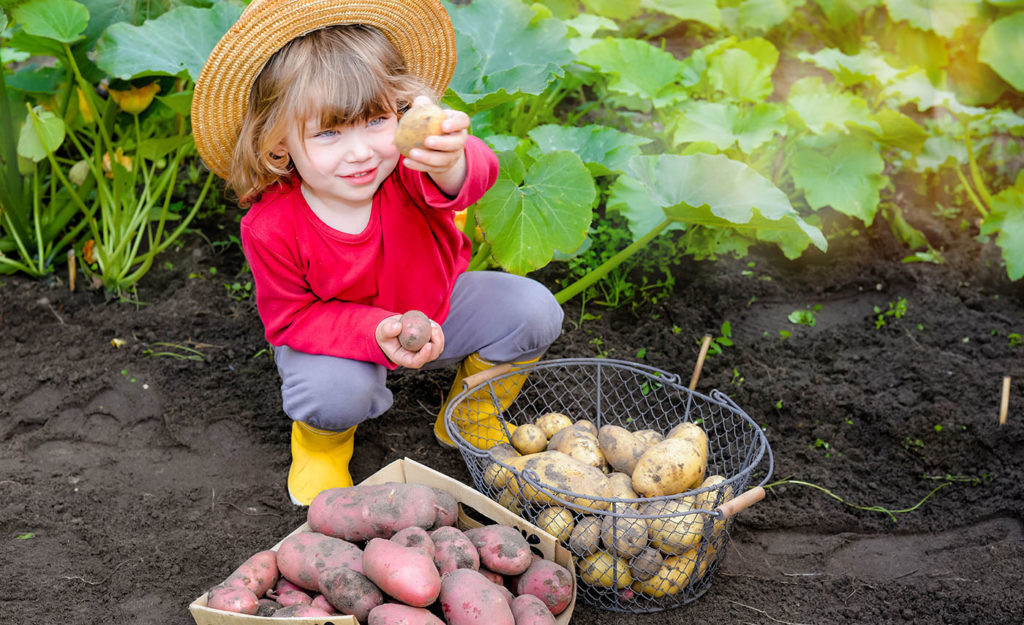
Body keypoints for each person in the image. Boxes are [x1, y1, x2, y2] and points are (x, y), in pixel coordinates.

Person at [191, 0, 563, 505]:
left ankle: (472, 416)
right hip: (336, 338)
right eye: (328, 132)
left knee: (532, 311)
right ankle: (322, 445)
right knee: (335, 393)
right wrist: (374, 333)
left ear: (400, 111)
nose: (362, 151)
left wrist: (450, 160)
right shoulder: (272, 225)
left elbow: (471, 178)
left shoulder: (409, 168)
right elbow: (291, 319)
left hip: (437, 309)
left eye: (374, 122)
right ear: (278, 143)